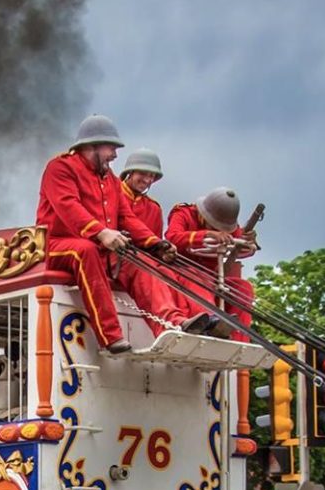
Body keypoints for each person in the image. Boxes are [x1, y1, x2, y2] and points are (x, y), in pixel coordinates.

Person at [37, 116, 210, 354]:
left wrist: (154, 244)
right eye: (112, 148)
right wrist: (100, 232)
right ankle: (111, 337)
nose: (115, 155)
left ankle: (172, 325)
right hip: (58, 245)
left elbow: (126, 217)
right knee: (84, 251)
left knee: (139, 260)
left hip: (101, 246)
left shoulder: (110, 180)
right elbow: (67, 206)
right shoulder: (60, 168)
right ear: (92, 145)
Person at [166, 187, 258, 340]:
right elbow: (173, 237)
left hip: (212, 278)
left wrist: (249, 240)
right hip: (181, 274)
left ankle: (239, 339)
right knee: (198, 277)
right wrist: (206, 235)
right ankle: (211, 322)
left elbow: (240, 241)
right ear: (203, 216)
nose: (219, 230)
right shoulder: (183, 213)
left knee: (243, 288)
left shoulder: (226, 227)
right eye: (214, 225)